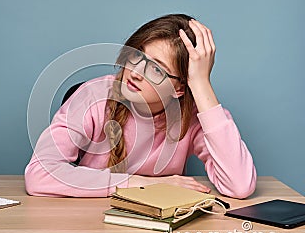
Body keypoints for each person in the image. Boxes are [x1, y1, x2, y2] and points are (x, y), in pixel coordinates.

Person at [25, 14, 257, 198]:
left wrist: (202, 85)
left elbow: (239, 186)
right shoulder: (92, 97)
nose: (135, 72)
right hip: (91, 221)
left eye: (156, 69)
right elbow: (39, 175)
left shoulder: (193, 115)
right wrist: (143, 184)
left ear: (179, 89)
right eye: (137, 56)